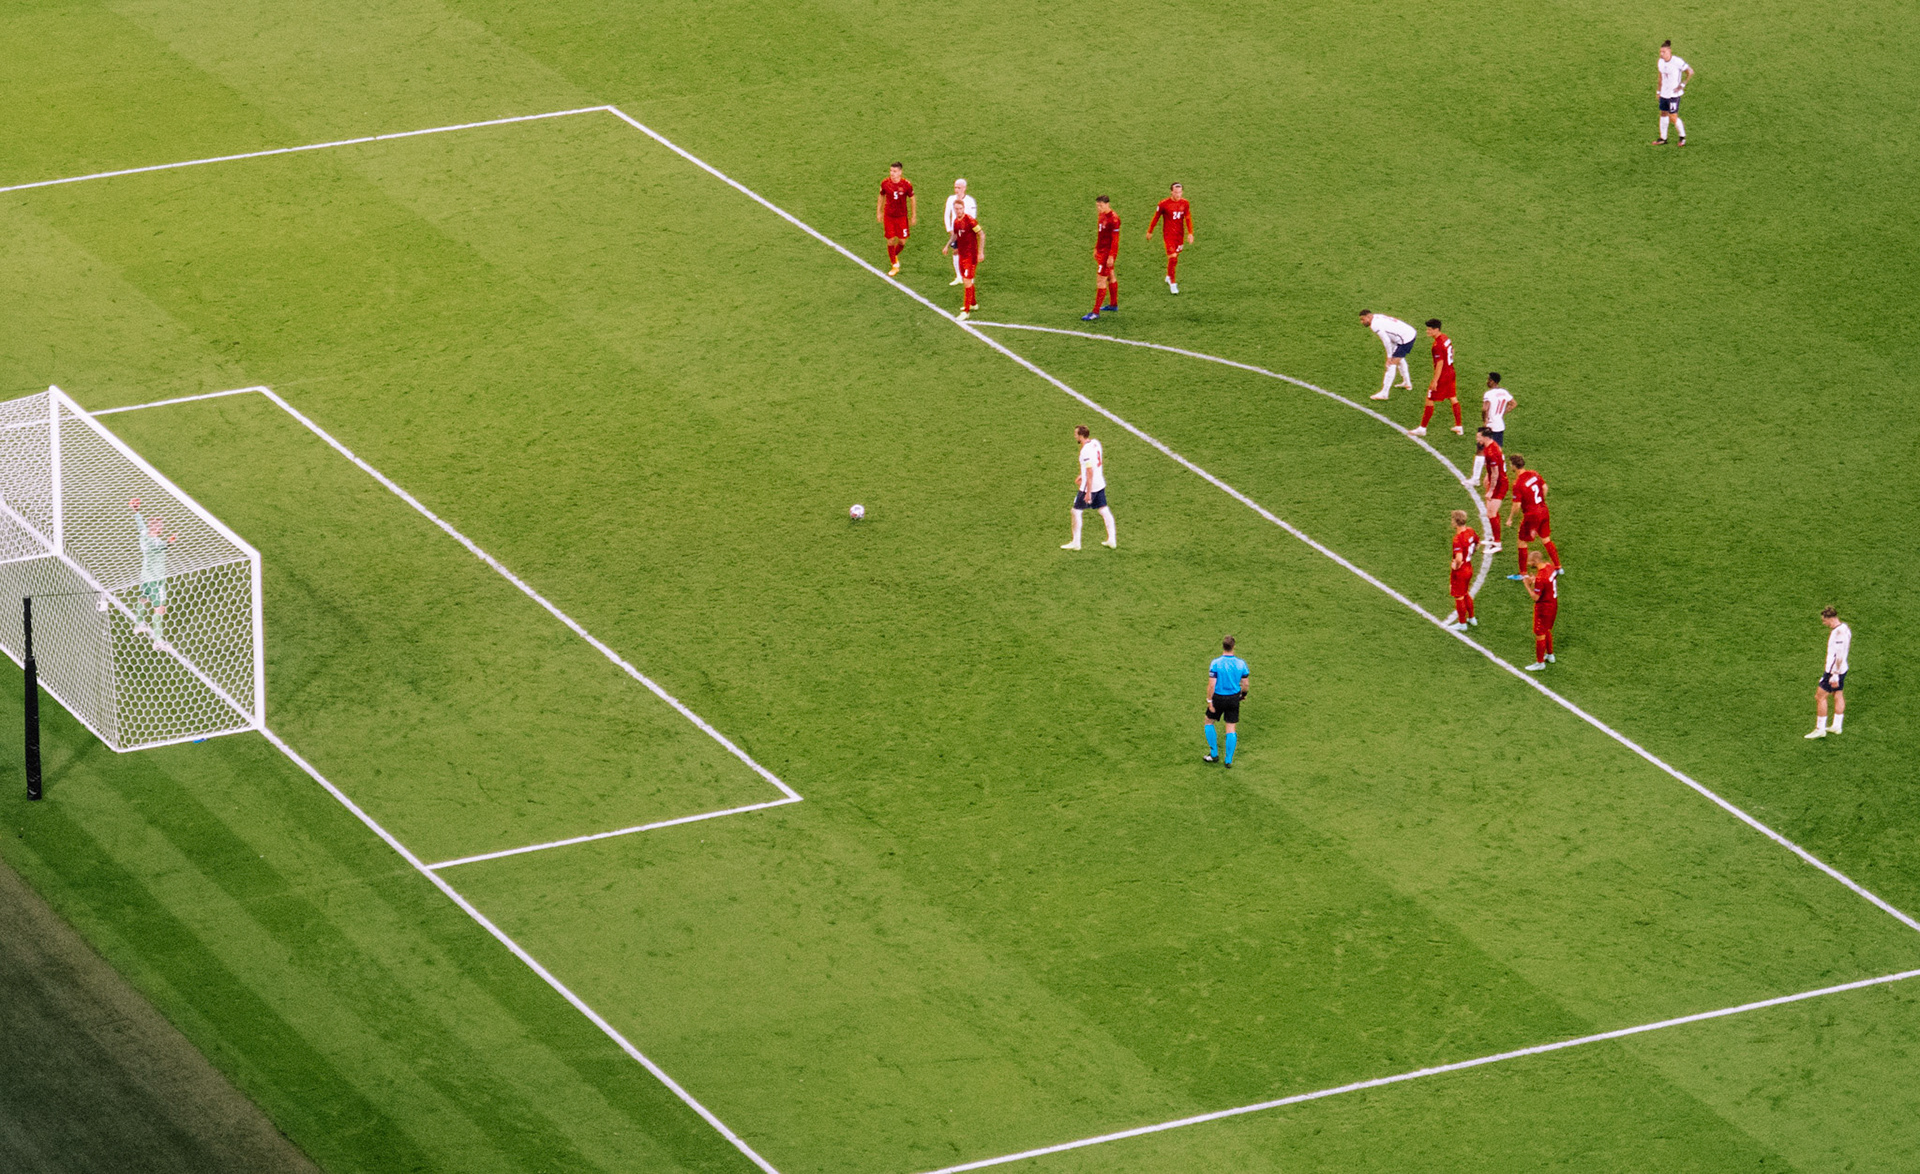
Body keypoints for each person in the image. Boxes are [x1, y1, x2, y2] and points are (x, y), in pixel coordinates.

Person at [129, 497, 176, 648]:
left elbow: (140, 524)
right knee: (160, 608)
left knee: (144, 598)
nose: (161, 526)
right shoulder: (157, 543)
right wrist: (169, 542)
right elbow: (161, 548)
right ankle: (158, 641)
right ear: (157, 529)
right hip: (156, 578)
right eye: (159, 525)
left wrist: (136, 510)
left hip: (145, 575)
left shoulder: (143, 535)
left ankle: (139, 624)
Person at [1505, 454, 1560, 578]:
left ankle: (1523, 574)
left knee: (1522, 542)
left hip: (1532, 515)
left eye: (1510, 464)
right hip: (1543, 510)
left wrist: (1510, 519)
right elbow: (1545, 487)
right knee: (1546, 539)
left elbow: (1517, 505)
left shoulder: (1518, 484)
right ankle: (1558, 567)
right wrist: (1540, 502)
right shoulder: (1534, 474)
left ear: (1514, 466)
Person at [1062, 424, 1116, 550]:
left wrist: (1088, 493)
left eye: (1076, 434)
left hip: (1089, 487)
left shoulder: (1084, 451)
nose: (1074, 436)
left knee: (1076, 511)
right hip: (1100, 482)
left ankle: (1076, 543)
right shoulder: (1096, 443)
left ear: (1081, 436)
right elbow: (1093, 465)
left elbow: (1090, 471)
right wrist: (1082, 474)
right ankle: (1112, 539)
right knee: (1103, 510)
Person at [1411, 319, 1463, 437]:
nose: (1427, 331)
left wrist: (1435, 381)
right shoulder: (1445, 338)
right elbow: (1452, 351)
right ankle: (1459, 426)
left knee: (1429, 398)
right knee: (1452, 397)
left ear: (1436, 329)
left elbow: (1440, 363)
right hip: (1451, 372)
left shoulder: (1437, 345)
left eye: (1430, 329)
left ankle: (1422, 428)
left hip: (1443, 375)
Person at [1806, 606, 1852, 738]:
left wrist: (1835, 675)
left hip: (1834, 672)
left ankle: (1820, 729)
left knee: (1820, 697)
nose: (1823, 623)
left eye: (1824, 620)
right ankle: (1837, 725)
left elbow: (1839, 655)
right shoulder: (1845, 627)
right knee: (1838, 694)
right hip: (1843, 669)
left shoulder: (1838, 633)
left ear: (1830, 618)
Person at [1204, 635, 1249, 767]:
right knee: (1231, 728)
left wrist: (1209, 700)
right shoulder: (1241, 664)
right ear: (1233, 646)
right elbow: (1245, 684)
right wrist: (1243, 694)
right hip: (1234, 698)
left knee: (1208, 721)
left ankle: (1214, 754)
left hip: (1218, 697)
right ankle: (1228, 760)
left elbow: (1212, 685)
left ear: (1223, 646)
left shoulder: (1216, 663)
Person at [1146, 182, 1194, 293]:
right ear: (1171, 192)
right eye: (1176, 192)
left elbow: (1188, 218)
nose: (1178, 194)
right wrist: (1150, 231)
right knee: (1173, 257)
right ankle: (1173, 283)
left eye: (1180, 192)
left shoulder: (1185, 203)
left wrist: (1190, 233)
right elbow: (1156, 217)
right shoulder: (1164, 204)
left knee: (1175, 257)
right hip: (1168, 235)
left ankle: (1168, 275)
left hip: (1179, 235)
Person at [1360, 310, 1417, 400]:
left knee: (1391, 364)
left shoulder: (1375, 325)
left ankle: (1384, 393)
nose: (1362, 322)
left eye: (1363, 319)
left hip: (1405, 339)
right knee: (1400, 359)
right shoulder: (1377, 316)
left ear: (1369, 316)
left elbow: (1386, 340)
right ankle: (1407, 383)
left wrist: (1389, 357)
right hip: (1407, 333)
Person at [1082, 196, 1122, 320]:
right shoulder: (1101, 216)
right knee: (1111, 276)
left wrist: (1111, 256)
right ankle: (1113, 304)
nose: (1098, 208)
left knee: (1101, 280)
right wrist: (1096, 248)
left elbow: (1115, 241)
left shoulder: (1114, 219)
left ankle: (1095, 312)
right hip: (1101, 251)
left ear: (1107, 204)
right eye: (1097, 206)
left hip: (1107, 254)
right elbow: (1101, 235)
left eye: (1101, 206)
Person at [1469, 427, 1508, 552]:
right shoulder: (1492, 446)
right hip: (1496, 481)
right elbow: (1493, 470)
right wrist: (1487, 476)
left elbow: (1496, 473)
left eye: (1478, 437)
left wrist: (1491, 489)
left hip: (1499, 484)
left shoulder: (1491, 451)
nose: (1477, 439)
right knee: (1492, 512)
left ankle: (1497, 544)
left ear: (1485, 437)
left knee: (1491, 513)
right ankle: (1494, 538)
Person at [876, 162, 917, 277]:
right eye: (891, 171)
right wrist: (879, 211)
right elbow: (881, 196)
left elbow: (912, 199)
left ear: (900, 172)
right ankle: (894, 264)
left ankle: (893, 255)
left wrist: (913, 215)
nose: (892, 173)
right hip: (889, 216)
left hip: (902, 217)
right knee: (890, 240)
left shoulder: (906, 185)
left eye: (894, 171)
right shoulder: (885, 183)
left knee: (902, 241)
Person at [1522, 549, 1559, 671]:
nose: (1528, 563)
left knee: (1539, 633)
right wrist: (1535, 581)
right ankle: (1550, 654)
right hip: (1553, 603)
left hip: (1544, 607)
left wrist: (1527, 585)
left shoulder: (1540, 578)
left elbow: (1536, 597)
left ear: (1534, 561)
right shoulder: (1549, 566)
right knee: (1547, 629)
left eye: (1530, 561)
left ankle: (1540, 662)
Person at [1653, 40, 1694, 146]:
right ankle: (1663, 138)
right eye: (1660, 52)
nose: (1661, 54)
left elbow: (1690, 72)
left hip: (1673, 95)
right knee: (1663, 113)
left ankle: (1682, 137)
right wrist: (1658, 91)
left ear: (1669, 51)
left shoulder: (1677, 62)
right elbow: (1660, 77)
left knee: (1673, 117)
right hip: (1664, 93)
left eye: (1664, 52)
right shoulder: (1660, 61)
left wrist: (1682, 85)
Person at [1445, 509, 1479, 631]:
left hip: (1461, 571)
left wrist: (1456, 566)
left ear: (1455, 522)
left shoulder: (1457, 539)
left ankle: (1462, 623)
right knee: (1465, 593)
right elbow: (1477, 543)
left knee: (1459, 596)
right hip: (1469, 567)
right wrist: (1469, 555)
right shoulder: (1470, 531)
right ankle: (1472, 618)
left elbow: (1458, 557)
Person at [948, 204, 983, 320]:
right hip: (962, 256)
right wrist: (947, 245)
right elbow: (955, 236)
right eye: (956, 209)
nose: (958, 211)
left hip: (970, 256)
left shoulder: (970, 221)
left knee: (967, 282)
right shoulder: (956, 222)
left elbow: (981, 235)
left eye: (960, 208)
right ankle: (973, 304)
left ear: (964, 208)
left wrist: (980, 252)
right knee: (965, 280)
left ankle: (966, 311)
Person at [943, 179, 978, 285]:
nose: (956, 190)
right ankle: (958, 276)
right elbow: (946, 214)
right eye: (955, 187)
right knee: (956, 251)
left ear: (964, 188)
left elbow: (973, 217)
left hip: (967, 233)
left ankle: (969, 275)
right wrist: (949, 229)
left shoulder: (970, 201)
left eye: (959, 188)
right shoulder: (951, 199)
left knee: (968, 254)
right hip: (955, 231)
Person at [1481, 372, 1514, 446]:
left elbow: (1484, 409)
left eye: (1488, 380)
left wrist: (1485, 420)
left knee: (1485, 450)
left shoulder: (1488, 394)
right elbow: (1513, 404)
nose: (1487, 382)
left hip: (1490, 426)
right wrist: (1503, 413)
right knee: (1498, 450)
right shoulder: (1504, 392)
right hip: (1499, 426)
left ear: (1493, 381)